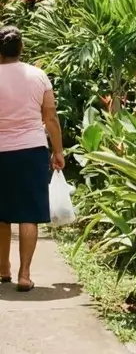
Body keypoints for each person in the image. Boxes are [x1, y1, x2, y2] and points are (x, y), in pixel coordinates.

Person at [0, 25, 65, 293]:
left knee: (1, 214)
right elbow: (50, 117)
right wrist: (58, 151)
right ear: (21, 48)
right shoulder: (38, 76)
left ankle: (3, 269)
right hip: (31, 151)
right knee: (29, 215)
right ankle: (25, 275)